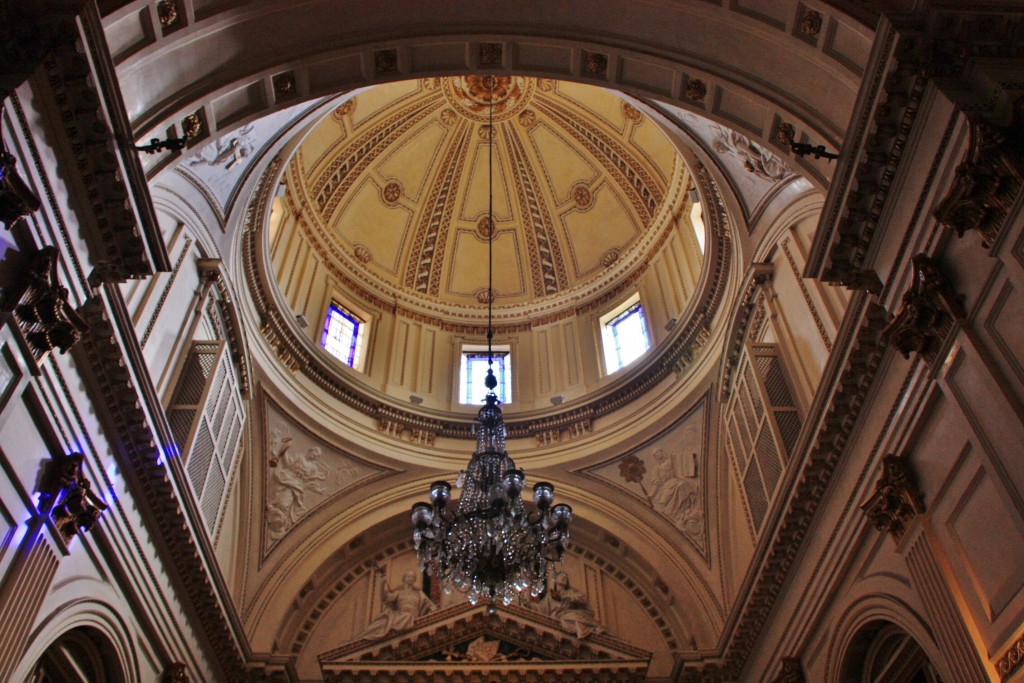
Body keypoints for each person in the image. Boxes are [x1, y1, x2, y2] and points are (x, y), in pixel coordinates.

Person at [355, 569, 436, 640]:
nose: (411, 578)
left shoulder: (418, 593)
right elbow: (384, 599)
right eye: (409, 576)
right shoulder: (398, 592)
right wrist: (382, 584)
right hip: (399, 615)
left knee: (408, 616)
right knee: (380, 623)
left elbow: (430, 604)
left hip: (411, 616)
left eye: (413, 577)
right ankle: (362, 637)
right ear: (404, 578)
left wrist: (431, 611)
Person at [549, 572, 603, 639]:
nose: (564, 578)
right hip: (561, 615)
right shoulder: (550, 595)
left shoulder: (571, 592)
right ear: (556, 579)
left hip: (570, 614)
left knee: (577, 619)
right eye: (562, 576)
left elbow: (583, 599)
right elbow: (544, 607)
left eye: (566, 577)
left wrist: (566, 597)